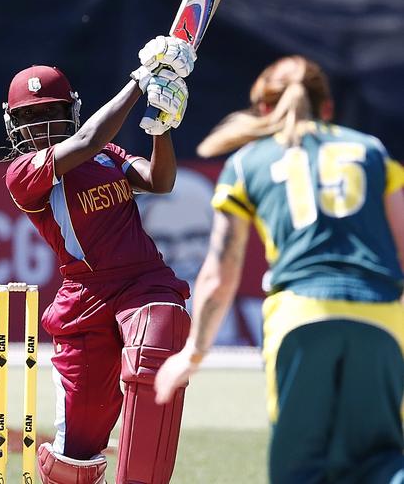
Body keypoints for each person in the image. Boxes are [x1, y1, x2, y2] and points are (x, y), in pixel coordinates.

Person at [154, 55, 404, 483]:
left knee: (300, 469)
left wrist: (193, 353)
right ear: (327, 108)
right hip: (379, 314)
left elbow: (220, 270)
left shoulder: (247, 162)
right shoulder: (372, 151)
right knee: (383, 461)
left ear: (264, 109)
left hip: (301, 316)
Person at [3, 36, 195, 483]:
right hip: (84, 298)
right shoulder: (24, 172)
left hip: (145, 282)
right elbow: (88, 137)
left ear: (69, 108)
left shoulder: (108, 156)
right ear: (13, 124)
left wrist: (160, 125)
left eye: (50, 112)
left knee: (155, 346)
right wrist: (140, 80)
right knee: (76, 455)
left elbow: (159, 180)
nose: (41, 124)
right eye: (29, 116)